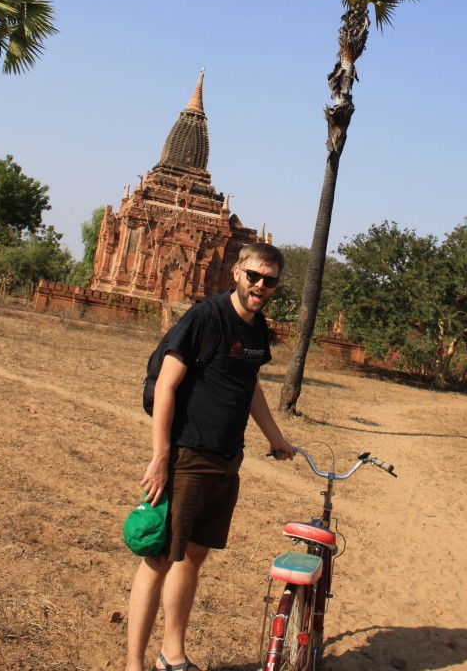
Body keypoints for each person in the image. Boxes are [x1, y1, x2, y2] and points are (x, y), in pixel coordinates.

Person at [125, 242, 293, 671]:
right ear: (236, 272)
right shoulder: (206, 316)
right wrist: (161, 456)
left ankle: (172, 654)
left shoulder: (257, 328)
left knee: (194, 556)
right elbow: (165, 384)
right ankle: (133, 665)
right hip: (188, 455)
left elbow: (249, 385)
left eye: (269, 280)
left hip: (225, 461)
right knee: (160, 558)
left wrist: (275, 437)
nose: (260, 285)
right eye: (253, 276)